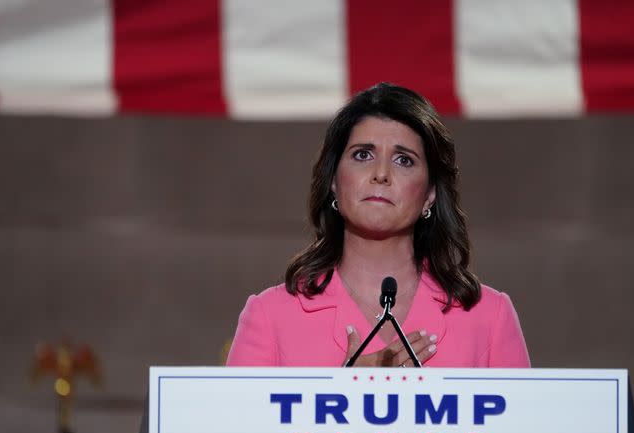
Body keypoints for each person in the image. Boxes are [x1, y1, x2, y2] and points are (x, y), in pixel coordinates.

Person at [226, 83, 529, 368]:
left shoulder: (490, 317)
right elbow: (236, 425)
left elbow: (523, 425)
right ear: (333, 181)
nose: (381, 173)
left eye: (404, 160)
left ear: (430, 194)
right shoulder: (269, 316)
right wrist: (338, 394)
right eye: (363, 155)